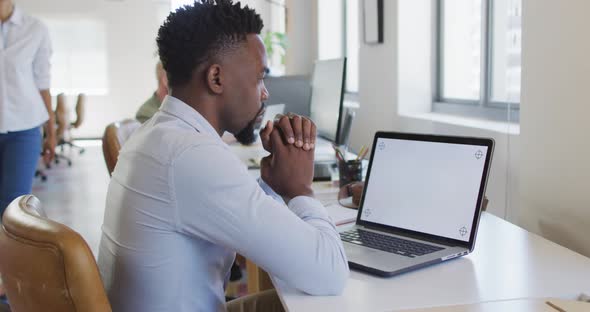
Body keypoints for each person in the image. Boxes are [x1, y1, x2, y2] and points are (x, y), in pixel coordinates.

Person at [97, 1, 348, 311]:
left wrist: (271, 184)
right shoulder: (190, 155)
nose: (265, 93)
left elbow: (231, 210)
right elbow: (330, 274)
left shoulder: (158, 135)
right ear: (216, 78)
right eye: (259, 78)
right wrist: (300, 189)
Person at [0, 0, 55, 218]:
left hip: (24, 129)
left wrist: (51, 131)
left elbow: (43, 83)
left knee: (13, 207)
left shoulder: (34, 28)